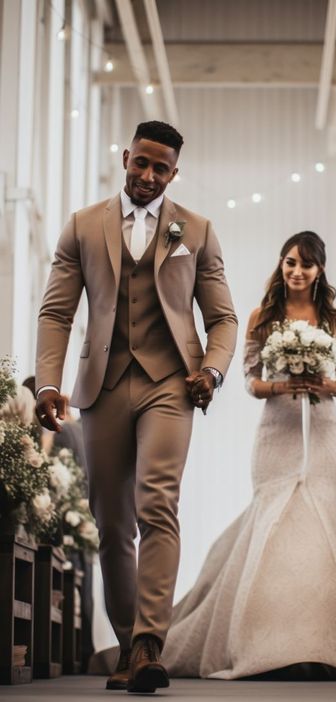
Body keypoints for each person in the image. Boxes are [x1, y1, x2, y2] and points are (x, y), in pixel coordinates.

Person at [162, 231, 336, 680]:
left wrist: (327, 385)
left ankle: (322, 641)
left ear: (320, 270)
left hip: (323, 430)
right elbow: (249, 380)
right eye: (289, 262)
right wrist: (284, 385)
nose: (296, 271)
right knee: (274, 518)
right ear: (280, 266)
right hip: (276, 429)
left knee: (319, 519)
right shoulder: (262, 316)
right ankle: (266, 641)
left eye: (305, 264)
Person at [35, 121, 238, 692]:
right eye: (141, 163)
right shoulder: (82, 226)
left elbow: (222, 319)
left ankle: (151, 641)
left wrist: (213, 371)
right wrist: (48, 384)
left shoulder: (195, 230)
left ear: (175, 172)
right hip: (101, 384)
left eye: (161, 168)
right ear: (126, 157)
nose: (148, 176)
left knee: (156, 501)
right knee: (112, 520)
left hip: (172, 383)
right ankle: (129, 645)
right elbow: (56, 313)